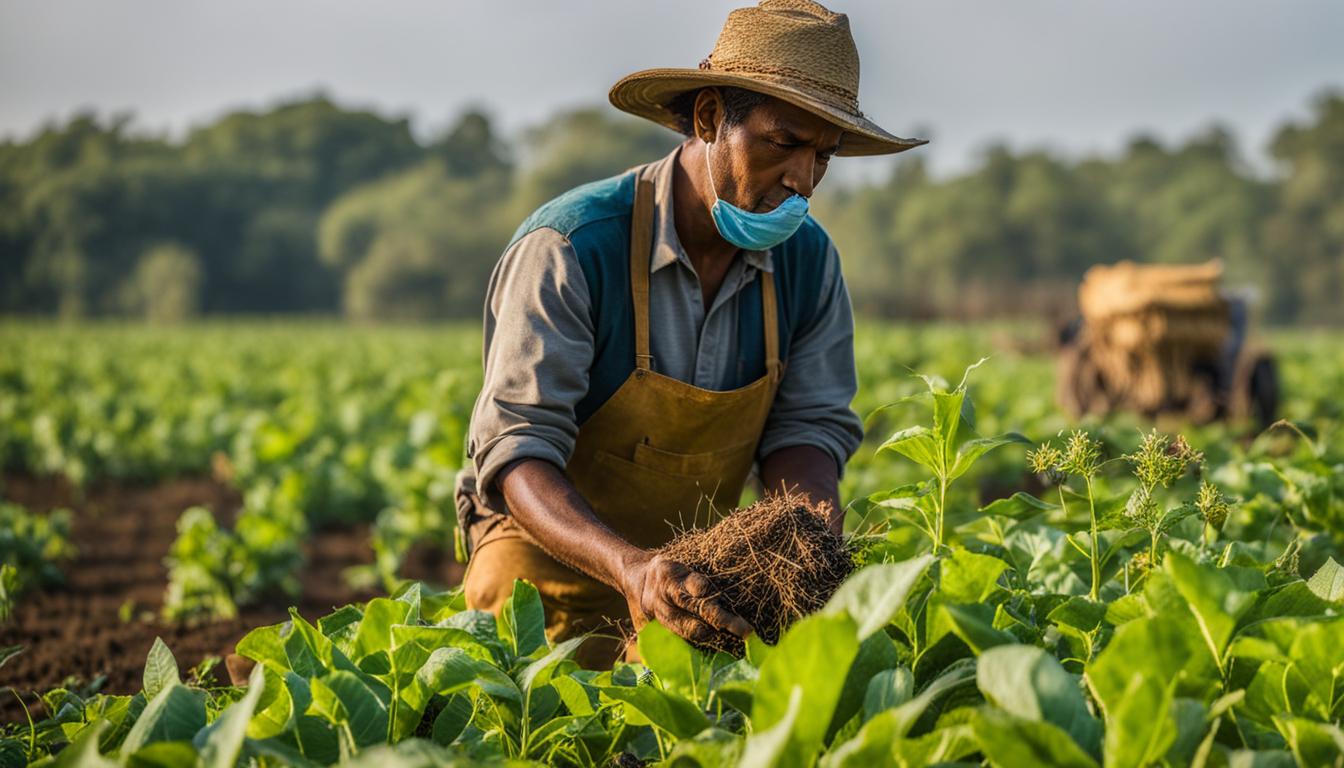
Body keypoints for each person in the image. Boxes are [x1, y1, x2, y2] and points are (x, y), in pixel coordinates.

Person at [455, 0, 926, 665]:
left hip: (699, 588)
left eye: (824, 155)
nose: (803, 180)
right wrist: (632, 568)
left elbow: (808, 430)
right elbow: (516, 448)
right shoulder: (572, 247)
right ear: (708, 118)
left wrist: (807, 540)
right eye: (784, 142)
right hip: (545, 581)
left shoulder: (807, 261)